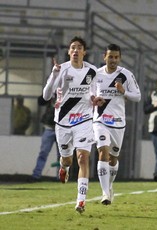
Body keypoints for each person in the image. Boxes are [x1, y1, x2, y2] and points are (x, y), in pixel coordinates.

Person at [42, 36, 98, 214]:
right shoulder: (61, 70)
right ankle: (64, 167)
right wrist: (54, 75)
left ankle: (81, 201)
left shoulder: (92, 71)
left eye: (79, 47)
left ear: (84, 51)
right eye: (72, 47)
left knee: (82, 158)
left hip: (84, 120)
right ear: (69, 52)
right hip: (63, 122)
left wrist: (95, 99)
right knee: (68, 159)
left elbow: (94, 93)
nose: (75, 50)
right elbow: (45, 96)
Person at [92, 44, 141, 205]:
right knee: (103, 151)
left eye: (116, 57)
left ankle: (109, 186)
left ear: (119, 58)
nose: (113, 60)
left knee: (113, 159)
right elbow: (88, 94)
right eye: (110, 56)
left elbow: (138, 96)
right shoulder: (96, 74)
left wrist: (123, 91)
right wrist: (93, 100)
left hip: (118, 122)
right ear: (104, 57)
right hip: (100, 120)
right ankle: (105, 193)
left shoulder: (126, 75)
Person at [31, 95, 59, 181]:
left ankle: (61, 176)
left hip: (62, 128)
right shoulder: (51, 92)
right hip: (49, 127)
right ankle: (36, 175)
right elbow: (40, 101)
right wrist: (48, 94)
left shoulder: (67, 91)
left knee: (63, 155)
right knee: (43, 153)